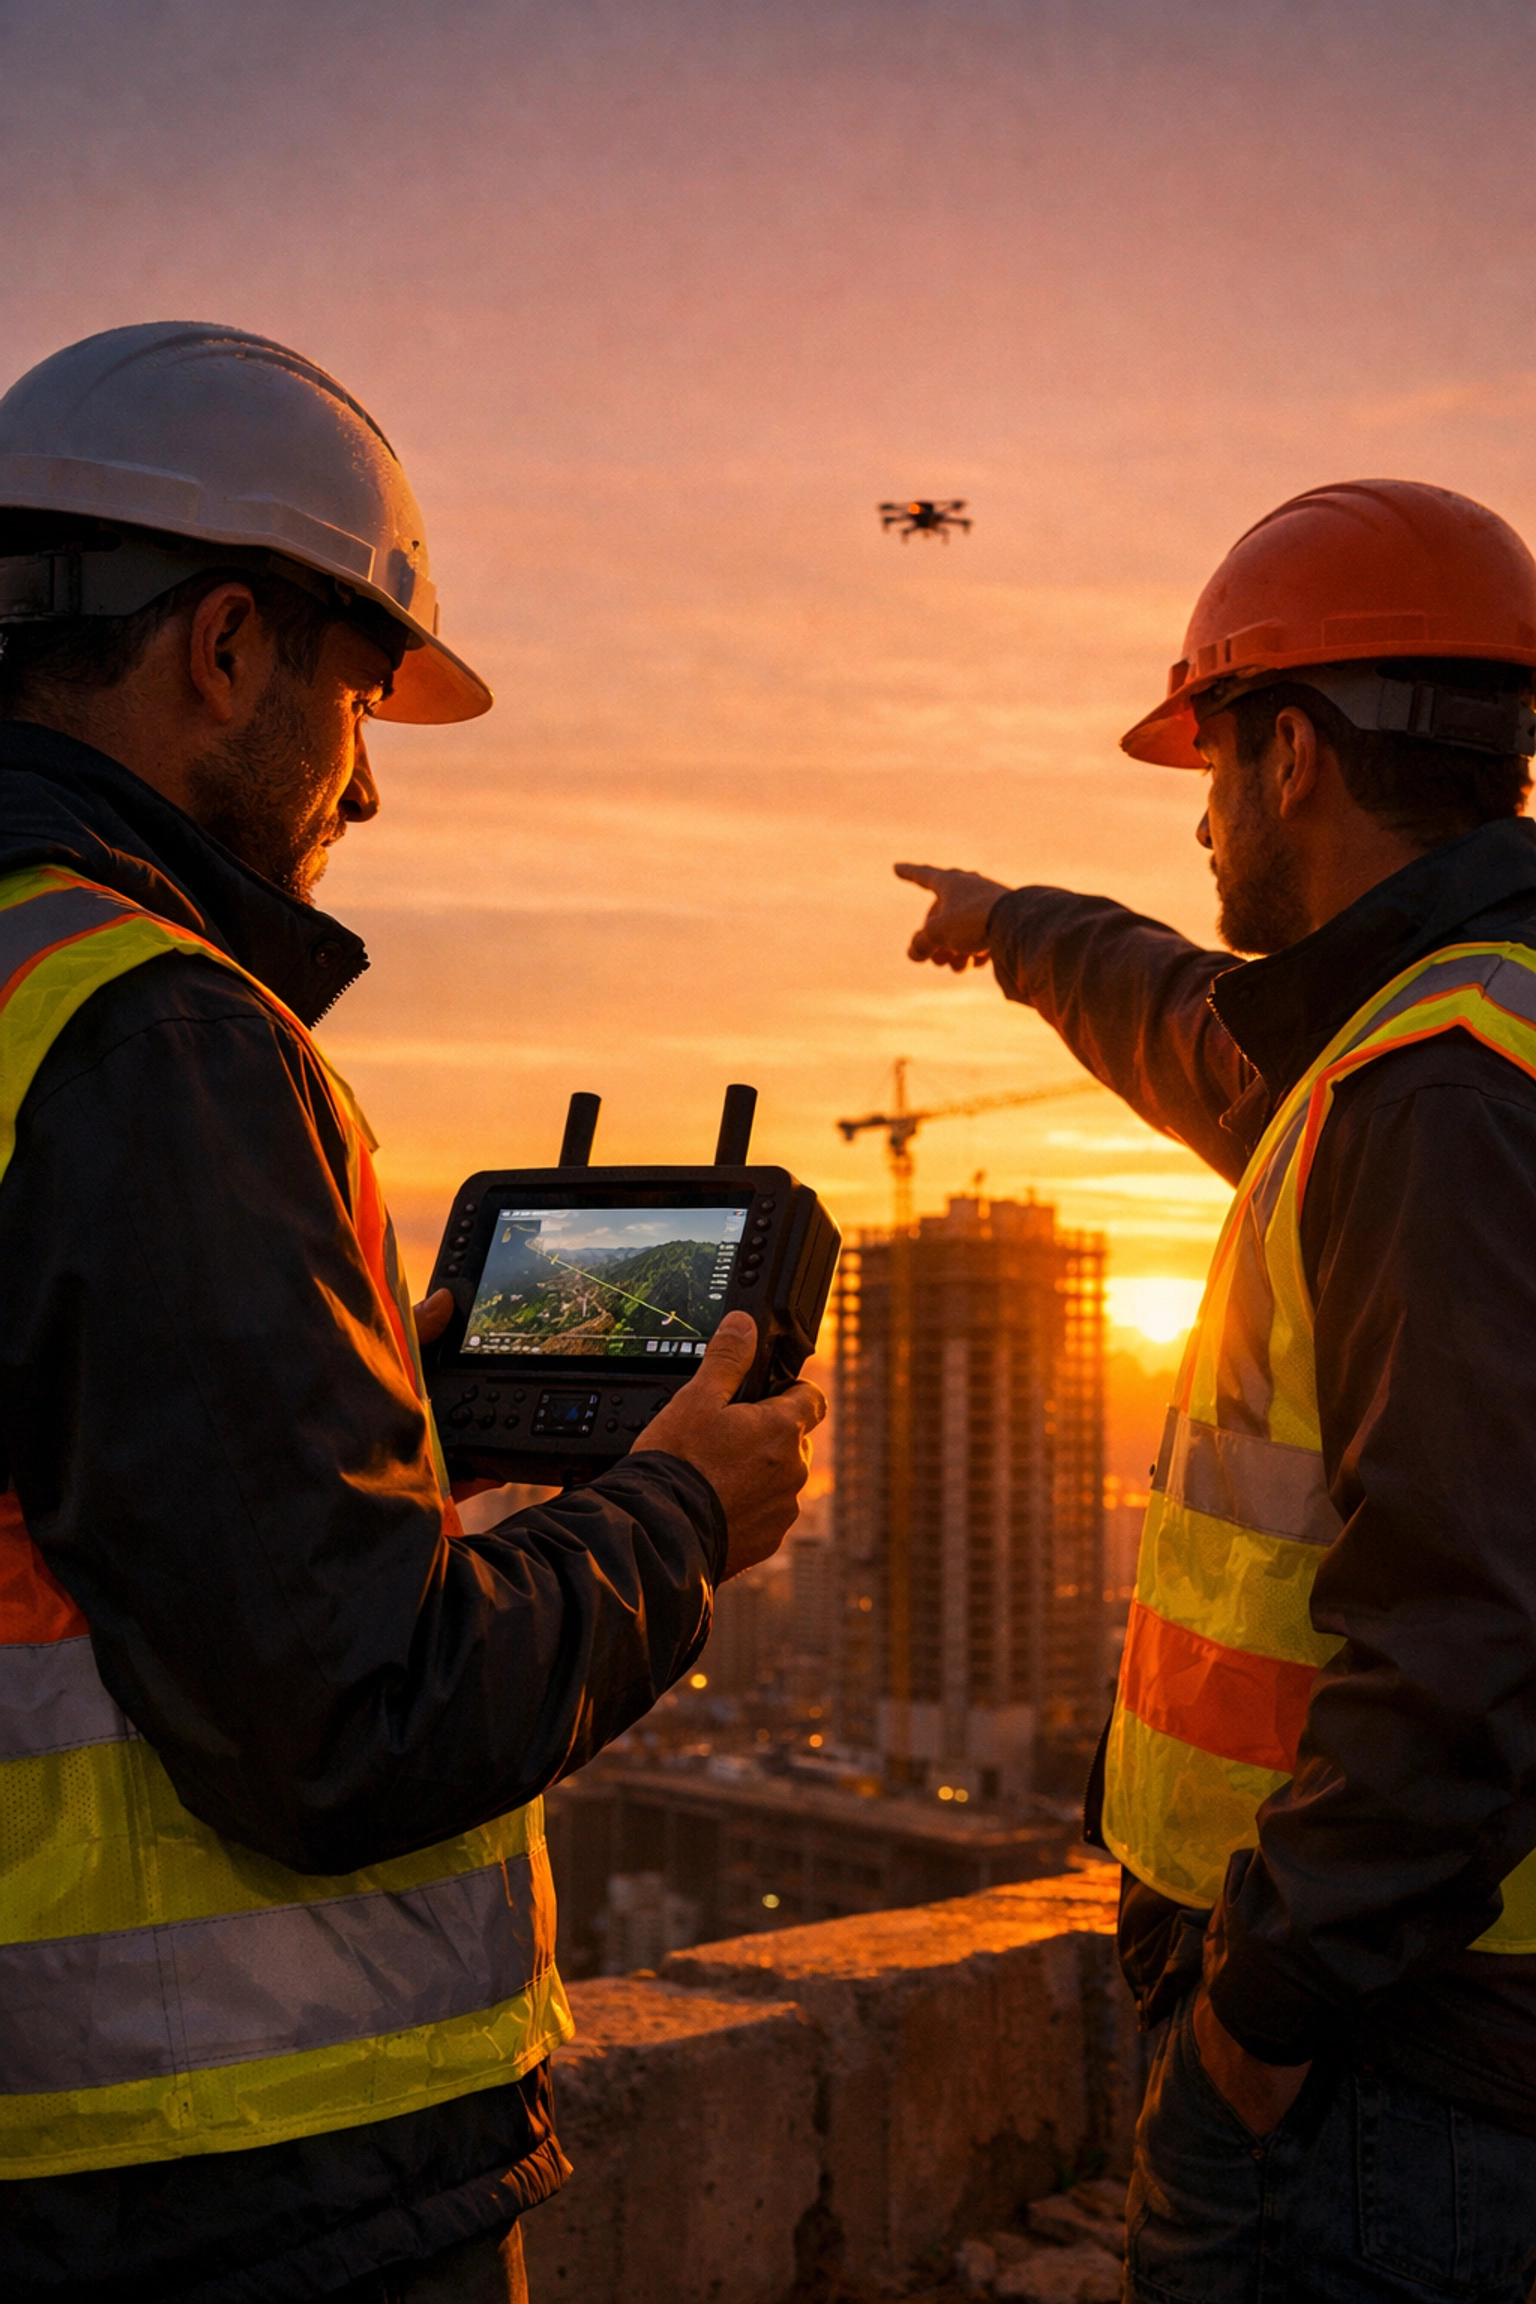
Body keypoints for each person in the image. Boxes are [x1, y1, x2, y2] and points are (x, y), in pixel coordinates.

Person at [0, 323, 822, 2303]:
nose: (365, 795)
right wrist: (677, 1521)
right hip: (211, 2184)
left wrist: (356, 1420)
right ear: (224, 651)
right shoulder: (152, 1030)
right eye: (358, 704)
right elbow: (350, 1719)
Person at [898, 479, 1536, 2302]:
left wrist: (1260, 2018)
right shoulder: (1440, 1036)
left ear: (1293, 754)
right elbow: (1199, 1028)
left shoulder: (1439, 1100)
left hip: (1390, 2062)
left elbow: (1469, 1630)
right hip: (1421, 2034)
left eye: (1208, 762)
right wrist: (1019, 925)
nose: (1195, 818)